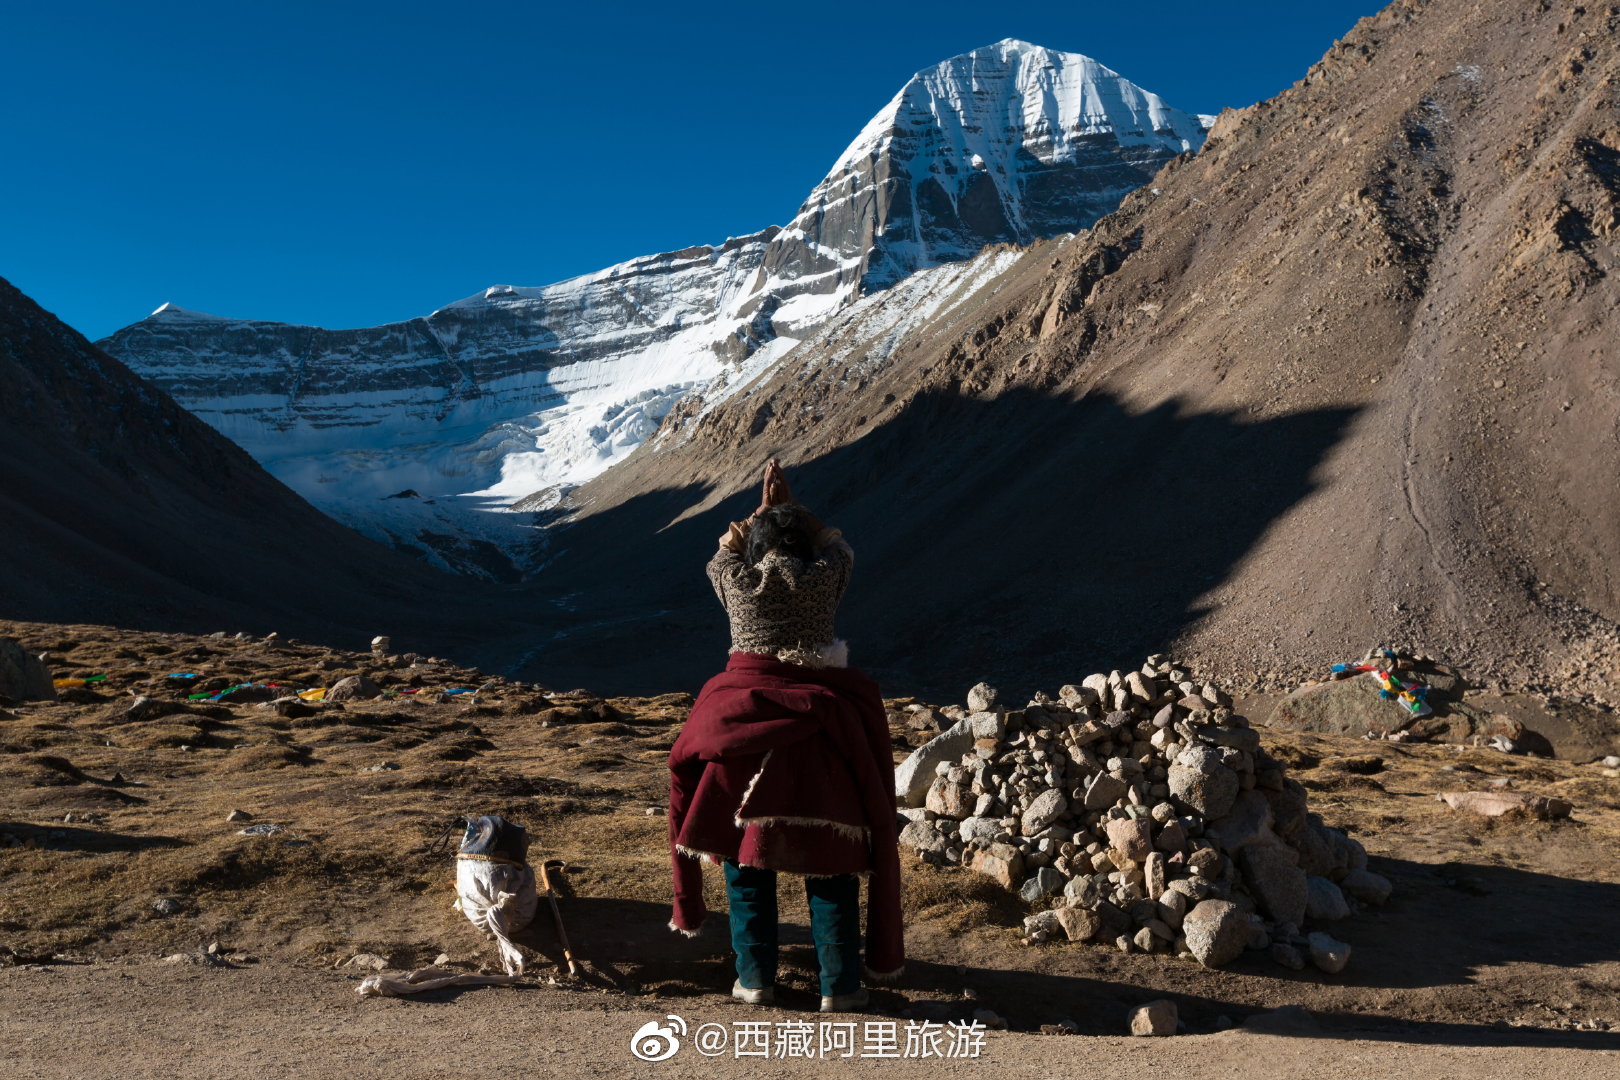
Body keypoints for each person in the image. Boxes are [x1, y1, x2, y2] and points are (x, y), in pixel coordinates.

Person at [666, 460, 903, 1012]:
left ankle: (754, 981)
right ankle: (840, 988)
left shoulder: (738, 583)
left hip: (743, 739)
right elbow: (841, 550)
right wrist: (796, 513)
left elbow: (719, 556)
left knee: (747, 870)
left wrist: (759, 515)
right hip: (823, 740)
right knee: (833, 871)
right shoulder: (824, 578)